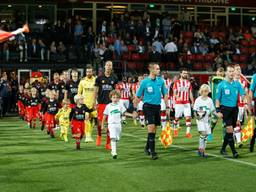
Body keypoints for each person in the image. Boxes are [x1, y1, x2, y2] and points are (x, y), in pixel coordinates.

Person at [134, 63, 169, 160]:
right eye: (157, 69)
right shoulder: (144, 82)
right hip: (147, 106)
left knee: (154, 129)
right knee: (151, 127)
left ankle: (147, 147)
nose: (159, 70)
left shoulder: (161, 81)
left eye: (159, 69)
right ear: (152, 70)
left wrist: (167, 106)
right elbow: (138, 96)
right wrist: (134, 109)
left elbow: (165, 94)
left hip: (157, 106)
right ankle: (153, 152)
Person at [216, 65, 246, 158]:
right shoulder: (221, 85)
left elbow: (243, 94)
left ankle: (223, 149)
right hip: (225, 109)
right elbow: (217, 99)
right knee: (230, 130)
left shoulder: (237, 84)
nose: (232, 73)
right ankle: (234, 152)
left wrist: (245, 100)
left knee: (230, 131)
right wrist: (218, 110)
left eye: (233, 71)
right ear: (226, 72)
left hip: (235, 109)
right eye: (230, 71)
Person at [102, 90, 133, 159]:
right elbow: (104, 115)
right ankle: (114, 152)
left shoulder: (120, 105)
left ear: (119, 98)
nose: (115, 99)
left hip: (118, 124)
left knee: (117, 138)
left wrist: (131, 115)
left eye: (116, 97)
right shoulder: (108, 106)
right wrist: (102, 124)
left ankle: (113, 149)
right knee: (113, 137)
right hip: (111, 124)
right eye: (113, 97)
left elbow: (124, 113)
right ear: (111, 98)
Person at [94, 61, 118, 149]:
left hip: (111, 104)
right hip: (101, 104)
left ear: (111, 67)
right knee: (100, 123)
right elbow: (95, 91)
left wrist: (117, 102)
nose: (108, 66)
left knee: (110, 124)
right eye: (107, 65)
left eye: (110, 65)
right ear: (105, 66)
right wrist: (94, 102)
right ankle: (99, 136)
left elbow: (116, 91)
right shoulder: (99, 78)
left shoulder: (114, 77)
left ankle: (108, 143)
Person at [194, 84, 219, 157]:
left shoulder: (210, 100)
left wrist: (218, 115)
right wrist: (197, 117)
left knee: (206, 135)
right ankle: (202, 151)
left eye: (207, 91)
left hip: (207, 120)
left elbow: (213, 110)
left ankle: (200, 150)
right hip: (200, 120)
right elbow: (195, 110)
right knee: (203, 133)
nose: (205, 92)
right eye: (204, 91)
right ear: (201, 91)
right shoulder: (198, 100)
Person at [78, 65, 97, 143]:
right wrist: (79, 103)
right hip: (85, 104)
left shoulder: (96, 80)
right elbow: (79, 93)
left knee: (93, 120)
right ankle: (88, 136)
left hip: (94, 104)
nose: (88, 73)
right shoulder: (82, 81)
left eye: (90, 71)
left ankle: (89, 133)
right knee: (86, 118)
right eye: (87, 71)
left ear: (92, 72)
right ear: (86, 72)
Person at [173, 69, 194, 138]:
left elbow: (190, 93)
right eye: (184, 73)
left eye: (186, 73)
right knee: (177, 118)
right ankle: (175, 129)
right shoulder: (176, 82)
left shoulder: (188, 82)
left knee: (188, 117)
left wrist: (192, 102)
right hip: (179, 103)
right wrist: (177, 97)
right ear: (180, 74)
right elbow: (174, 93)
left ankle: (188, 133)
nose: (185, 74)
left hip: (186, 102)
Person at [209, 67, 225, 141]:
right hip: (215, 102)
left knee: (225, 121)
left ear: (223, 73)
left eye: (221, 72)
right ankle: (210, 131)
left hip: (224, 102)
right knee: (214, 120)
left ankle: (225, 137)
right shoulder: (213, 79)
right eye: (219, 72)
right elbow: (215, 78)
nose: (220, 73)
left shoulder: (225, 81)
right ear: (216, 72)